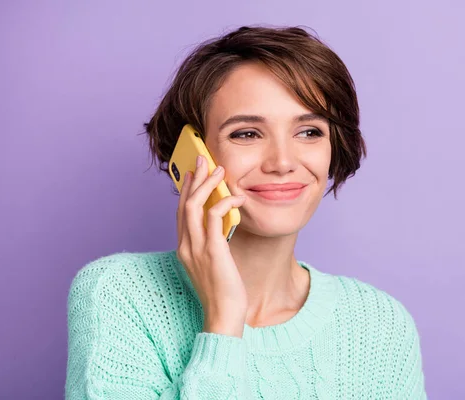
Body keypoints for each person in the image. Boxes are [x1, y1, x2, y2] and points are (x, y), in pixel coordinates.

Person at [65, 25, 427, 399]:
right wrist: (223, 321)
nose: (283, 162)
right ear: (192, 155)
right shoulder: (121, 293)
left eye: (309, 132)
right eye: (247, 134)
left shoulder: (379, 324)